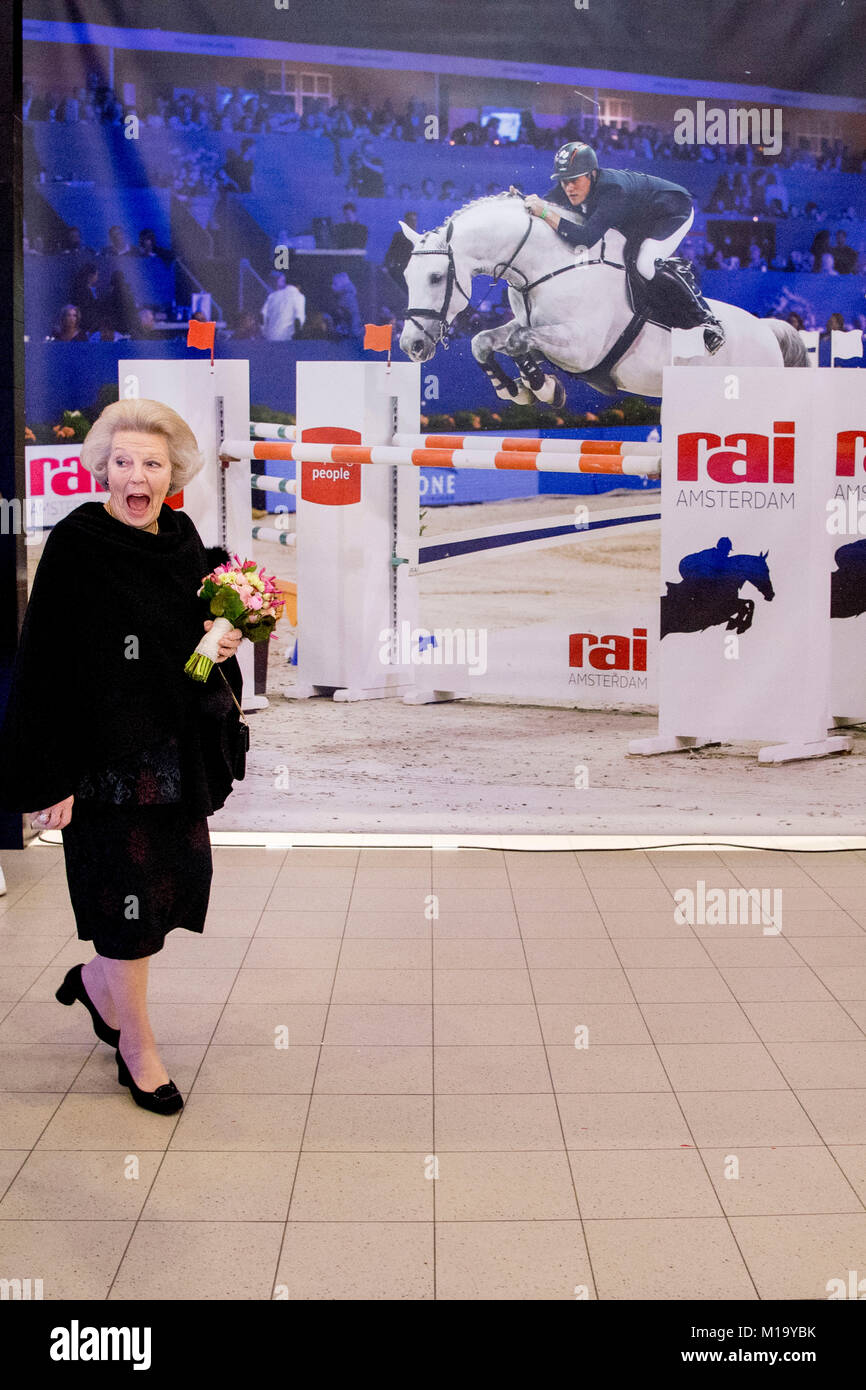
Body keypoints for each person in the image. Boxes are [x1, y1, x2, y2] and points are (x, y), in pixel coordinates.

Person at [0, 398, 245, 1114]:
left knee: (176, 883)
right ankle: (136, 1047)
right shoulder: (79, 542)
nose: (138, 475)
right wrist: (53, 777)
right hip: (102, 762)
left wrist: (225, 634)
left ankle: (100, 988)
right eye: (125, 462)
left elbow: (203, 619)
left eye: (153, 463)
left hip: (175, 755)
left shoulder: (181, 535)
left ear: (175, 476)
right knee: (127, 909)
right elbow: (42, 664)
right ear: (102, 469)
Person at [517, 140, 725, 353]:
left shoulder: (613, 190)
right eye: (564, 181)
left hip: (672, 210)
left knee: (644, 263)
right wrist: (520, 202)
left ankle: (707, 321)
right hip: (640, 218)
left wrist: (543, 212)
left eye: (574, 180)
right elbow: (544, 206)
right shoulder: (572, 185)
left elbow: (584, 239)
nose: (569, 187)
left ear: (592, 174)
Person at [261, 271, 306, 341]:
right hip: (287, 340)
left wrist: (264, 332)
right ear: (299, 286)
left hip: (270, 339)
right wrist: (298, 337)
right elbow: (298, 319)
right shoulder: (299, 296)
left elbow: (262, 315)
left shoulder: (272, 296)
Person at [384, 210, 417, 284]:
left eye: (415, 220)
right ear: (406, 222)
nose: (413, 223)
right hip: (401, 270)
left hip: (414, 270)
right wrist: (386, 265)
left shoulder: (418, 236)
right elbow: (391, 252)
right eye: (411, 220)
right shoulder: (399, 236)